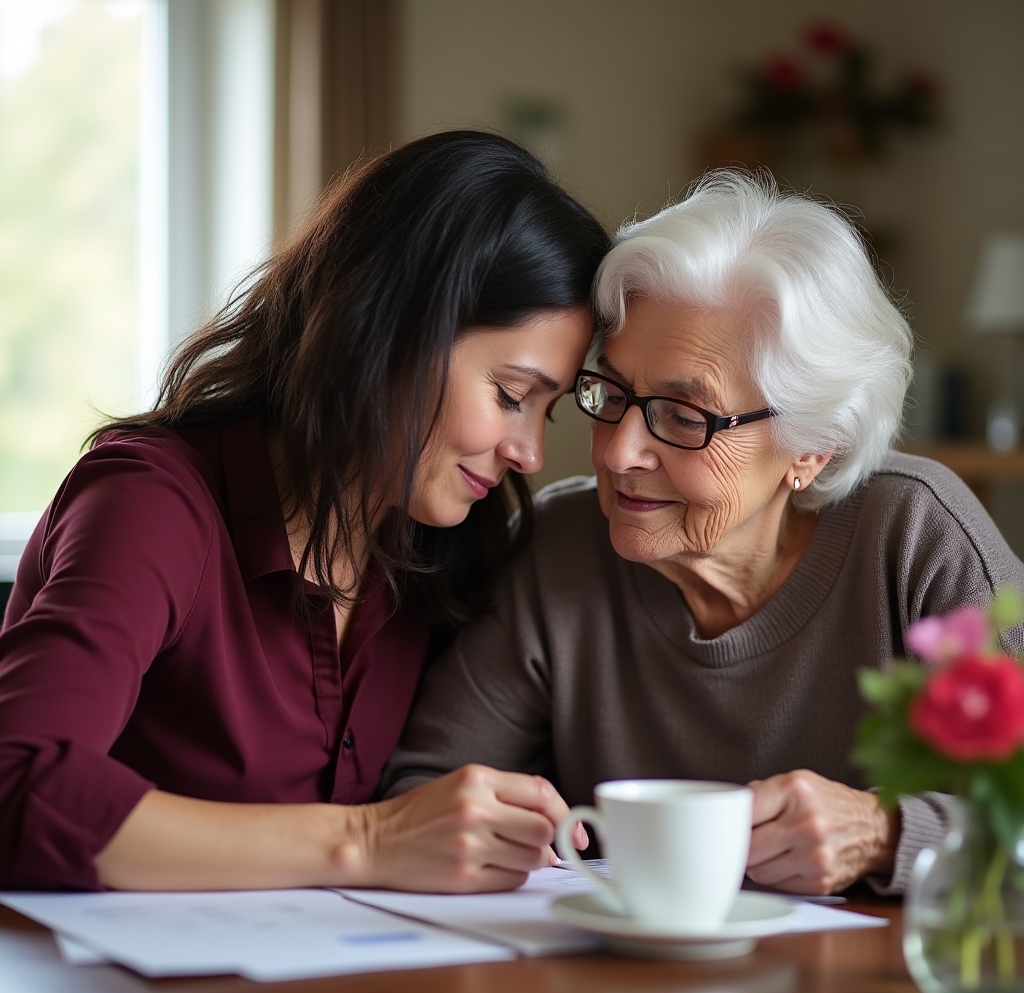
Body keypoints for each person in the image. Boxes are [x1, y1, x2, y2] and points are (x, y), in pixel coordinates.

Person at [383, 169, 1024, 896]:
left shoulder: (915, 537)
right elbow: (425, 788)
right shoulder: (559, 545)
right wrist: (498, 833)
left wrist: (888, 836)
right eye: (613, 395)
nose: (617, 453)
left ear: (814, 449)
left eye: (686, 417)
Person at [0, 130, 607, 892]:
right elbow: (15, 784)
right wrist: (365, 839)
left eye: (543, 414)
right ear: (389, 331)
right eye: (512, 395)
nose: (528, 453)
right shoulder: (152, 502)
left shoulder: (446, 549)